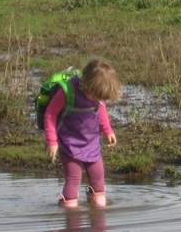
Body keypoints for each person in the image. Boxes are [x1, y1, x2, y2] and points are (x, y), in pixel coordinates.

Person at [44, 58, 122, 208]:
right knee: (74, 178)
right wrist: (52, 142)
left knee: (98, 177)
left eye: (102, 97)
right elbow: (50, 114)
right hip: (69, 143)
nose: (99, 100)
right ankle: (70, 213)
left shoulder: (97, 95)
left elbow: (101, 109)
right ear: (86, 85)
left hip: (91, 142)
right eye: (96, 96)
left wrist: (107, 130)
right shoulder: (67, 92)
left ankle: (99, 213)